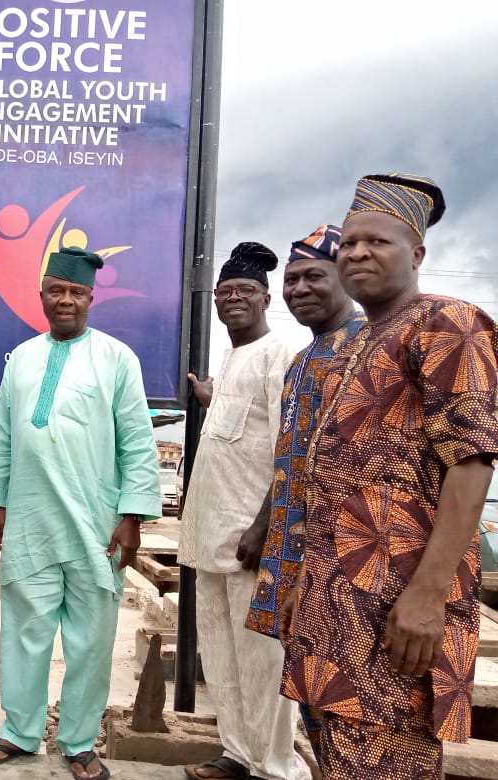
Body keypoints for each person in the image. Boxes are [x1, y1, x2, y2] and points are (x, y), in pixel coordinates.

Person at [281, 174, 498, 779]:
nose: (356, 253)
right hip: (334, 608)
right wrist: (308, 585)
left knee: (387, 762)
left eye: (376, 242)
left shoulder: (448, 324)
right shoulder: (351, 346)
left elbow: (472, 462)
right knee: (336, 758)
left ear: (418, 254)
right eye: (348, 244)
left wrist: (428, 595)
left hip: (397, 611)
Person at [0, 246, 162, 780]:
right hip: (30, 518)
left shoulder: (118, 359)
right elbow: (2, 437)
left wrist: (133, 517)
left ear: (91, 299)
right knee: (24, 629)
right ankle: (20, 731)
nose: (66, 300)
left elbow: (138, 445)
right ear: (43, 296)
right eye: (57, 290)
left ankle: (78, 739)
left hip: (96, 522)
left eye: (76, 292)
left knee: (91, 638)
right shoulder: (21, 359)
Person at [178, 243, 309, 780]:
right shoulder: (232, 356)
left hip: (250, 541)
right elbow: (242, 426)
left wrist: (265, 526)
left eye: (245, 292)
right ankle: (237, 754)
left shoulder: (282, 352)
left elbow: (288, 445)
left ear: (266, 298)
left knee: (262, 663)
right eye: (225, 292)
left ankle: (277, 767)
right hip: (209, 536)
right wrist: (214, 398)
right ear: (215, 300)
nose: (234, 299)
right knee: (221, 658)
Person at [241, 224, 366, 763]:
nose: (298, 289)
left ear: (346, 277)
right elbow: (290, 461)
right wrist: (267, 524)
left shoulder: (369, 349)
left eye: (313, 276)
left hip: (348, 569)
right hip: (296, 563)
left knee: (356, 710)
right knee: (314, 698)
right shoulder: (305, 359)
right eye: (291, 280)